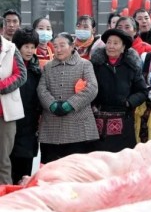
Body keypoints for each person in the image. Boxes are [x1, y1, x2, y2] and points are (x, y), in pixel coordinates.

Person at [37, 33, 98, 163]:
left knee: (77, 170)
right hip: (52, 126)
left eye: (62, 45)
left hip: (79, 127)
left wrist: (69, 104)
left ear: (72, 46)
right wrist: (52, 105)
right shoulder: (48, 67)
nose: (58, 50)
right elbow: (41, 89)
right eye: (55, 46)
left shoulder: (84, 64)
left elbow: (92, 88)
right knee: (51, 171)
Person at [91, 29, 148, 152]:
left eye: (116, 43)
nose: (111, 46)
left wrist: (129, 102)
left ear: (123, 48)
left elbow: (143, 91)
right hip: (99, 118)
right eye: (109, 42)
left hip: (123, 117)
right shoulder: (95, 65)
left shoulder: (131, 67)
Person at [9, 28, 42, 183]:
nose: (30, 51)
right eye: (26, 46)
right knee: (8, 166)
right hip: (11, 120)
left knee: (25, 173)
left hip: (29, 124)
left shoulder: (37, 70)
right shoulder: (8, 67)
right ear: (18, 47)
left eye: (32, 47)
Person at [0, 27, 27, 184]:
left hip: (5, 113)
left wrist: (2, 86)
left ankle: (4, 201)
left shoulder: (10, 48)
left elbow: (21, 75)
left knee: (3, 160)